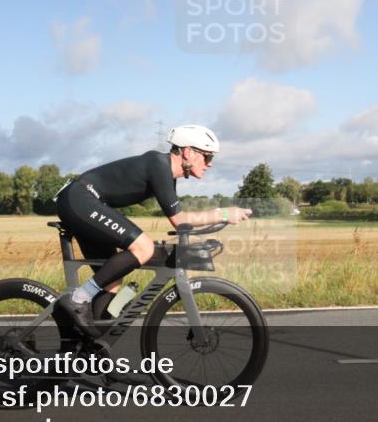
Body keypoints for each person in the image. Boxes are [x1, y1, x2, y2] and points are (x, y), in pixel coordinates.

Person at [54, 125, 252, 336]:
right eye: (208, 157)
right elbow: (180, 220)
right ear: (188, 152)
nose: (209, 164)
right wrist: (223, 214)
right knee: (143, 247)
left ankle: (86, 346)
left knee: (112, 279)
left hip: (83, 201)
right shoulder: (158, 165)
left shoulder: (166, 173)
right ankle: (78, 299)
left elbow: (180, 218)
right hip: (80, 199)